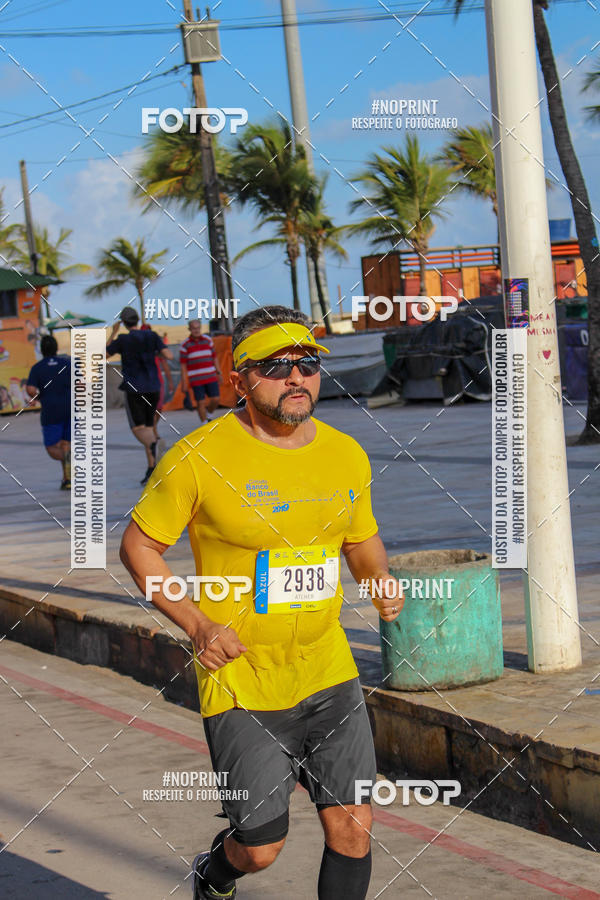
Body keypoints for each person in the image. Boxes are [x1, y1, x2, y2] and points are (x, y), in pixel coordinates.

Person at [119, 305, 403, 900]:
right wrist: (196, 624)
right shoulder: (200, 456)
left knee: (353, 827)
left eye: (307, 363)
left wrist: (378, 578)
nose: (295, 376)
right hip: (242, 680)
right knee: (259, 847)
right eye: (275, 366)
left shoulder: (346, 452)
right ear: (239, 379)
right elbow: (139, 546)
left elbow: (361, 537)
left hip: (329, 669)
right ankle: (214, 873)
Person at [106, 306, 173, 485]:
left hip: (134, 388)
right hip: (153, 387)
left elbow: (104, 355)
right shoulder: (152, 336)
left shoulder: (123, 339)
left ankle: (155, 445)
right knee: (149, 426)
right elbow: (169, 354)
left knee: (138, 428)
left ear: (124, 323)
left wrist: (113, 333)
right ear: (136, 320)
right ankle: (152, 467)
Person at [26, 334, 71, 490]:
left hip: (51, 411)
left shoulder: (37, 368)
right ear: (56, 348)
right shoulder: (67, 364)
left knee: (52, 447)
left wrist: (38, 398)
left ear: (42, 350)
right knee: (66, 444)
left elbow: (30, 389)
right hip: (70, 408)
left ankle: (71, 464)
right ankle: (67, 478)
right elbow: (80, 385)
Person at [180, 319, 222, 423]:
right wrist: (184, 382)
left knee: (216, 399)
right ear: (189, 329)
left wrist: (219, 372)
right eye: (194, 328)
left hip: (210, 376)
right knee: (200, 402)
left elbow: (214, 357)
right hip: (196, 379)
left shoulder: (208, 340)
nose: (196, 330)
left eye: (198, 328)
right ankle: (204, 424)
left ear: (200, 328)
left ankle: (208, 414)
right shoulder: (185, 345)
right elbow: (183, 365)